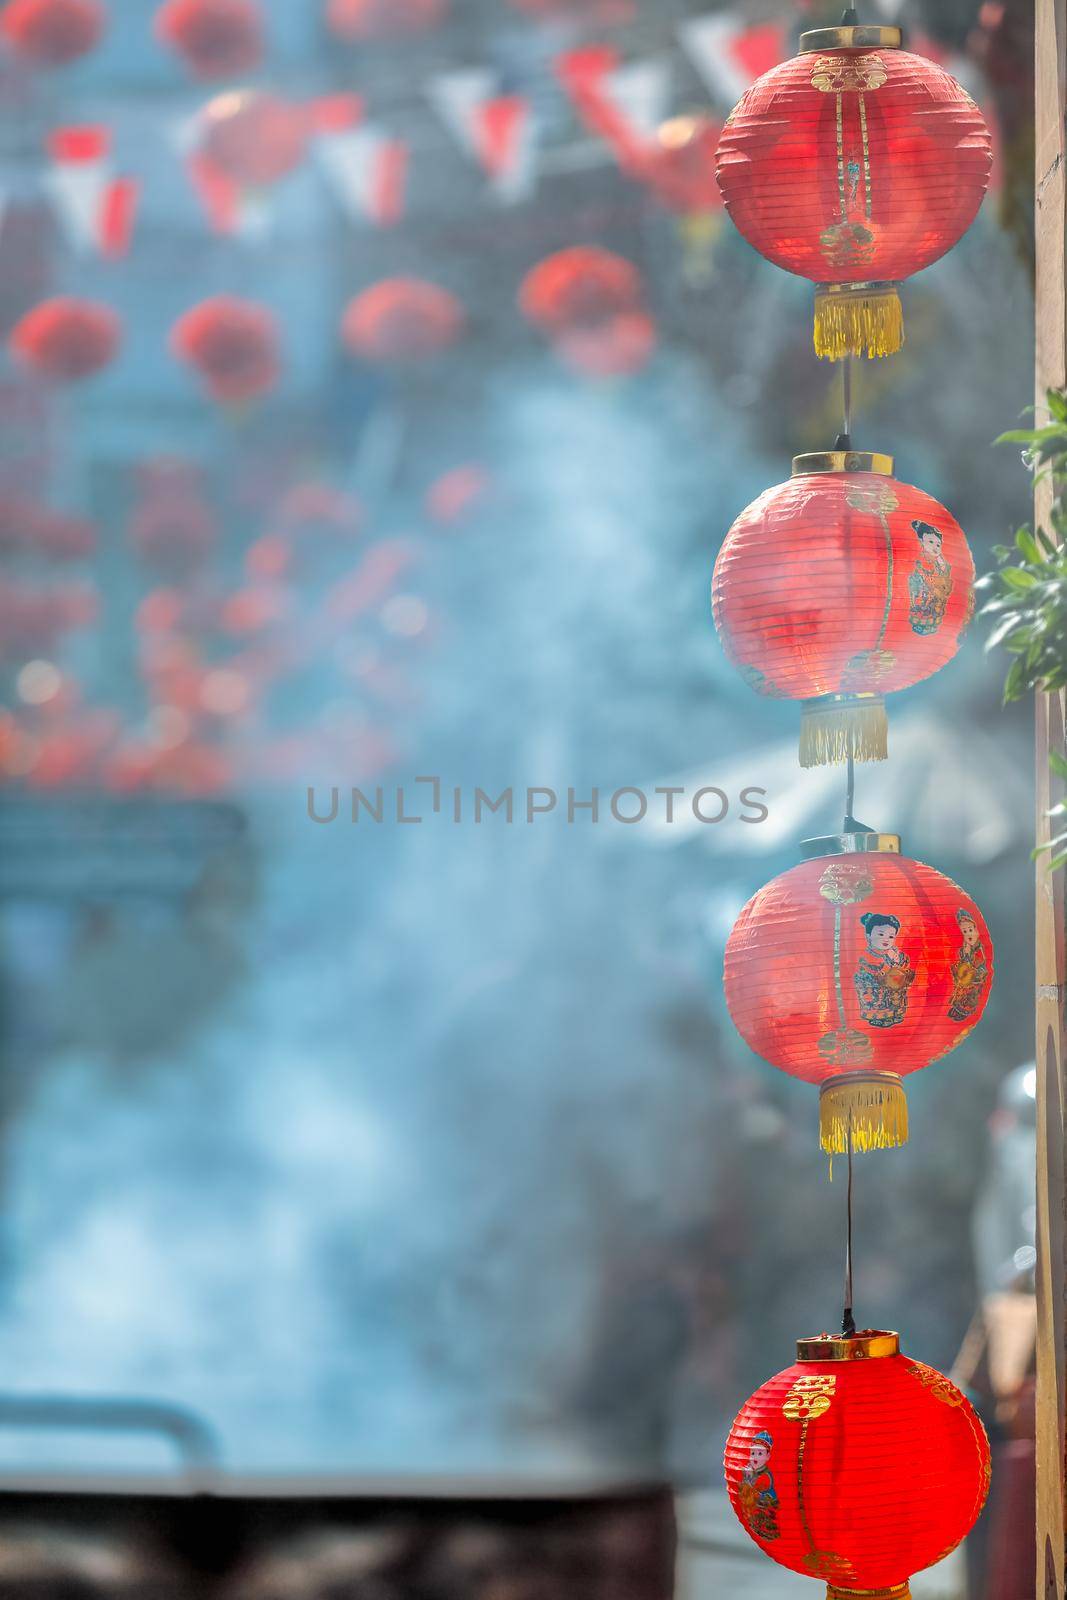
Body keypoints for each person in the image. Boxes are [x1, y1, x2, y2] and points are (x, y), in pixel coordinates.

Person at [854, 911, 915, 1027]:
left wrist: (897, 960)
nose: (886, 939)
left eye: (891, 936)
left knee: (898, 991)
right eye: (881, 935)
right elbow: (873, 970)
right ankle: (879, 1017)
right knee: (880, 996)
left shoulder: (893, 952)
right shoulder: (868, 955)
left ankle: (894, 1014)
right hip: (875, 985)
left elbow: (903, 963)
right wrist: (890, 966)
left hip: (891, 983)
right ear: (869, 936)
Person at [908, 519, 953, 635]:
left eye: (938, 544)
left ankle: (930, 624)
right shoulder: (920, 556)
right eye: (931, 542)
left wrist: (940, 560)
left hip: (934, 589)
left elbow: (944, 571)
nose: (935, 547)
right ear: (921, 541)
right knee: (922, 603)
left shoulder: (939, 560)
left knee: (935, 605)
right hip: (923, 587)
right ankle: (921, 622)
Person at [949, 908, 989, 1022]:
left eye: (970, 930)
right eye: (965, 932)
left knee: (967, 997)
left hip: (974, 982)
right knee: (959, 992)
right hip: (964, 980)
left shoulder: (978, 949)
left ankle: (962, 1012)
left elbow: (981, 969)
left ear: (976, 930)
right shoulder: (965, 949)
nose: (968, 934)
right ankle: (956, 1009)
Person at [739, 1430, 779, 1541]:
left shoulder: (765, 1476)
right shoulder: (755, 1472)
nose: (755, 1457)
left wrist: (748, 1479)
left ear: (768, 1456)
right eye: (753, 1453)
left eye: (760, 1453)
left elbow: (754, 1492)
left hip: (766, 1510)